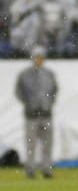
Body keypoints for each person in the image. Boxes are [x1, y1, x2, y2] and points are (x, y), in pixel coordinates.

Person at [14, 45, 57, 179]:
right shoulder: (24, 75)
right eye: (36, 57)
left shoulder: (49, 74)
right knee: (30, 144)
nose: (39, 60)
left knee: (47, 144)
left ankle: (46, 169)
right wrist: (28, 103)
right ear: (32, 58)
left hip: (46, 113)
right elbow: (19, 92)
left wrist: (49, 104)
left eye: (41, 58)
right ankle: (30, 169)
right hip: (31, 115)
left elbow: (55, 90)